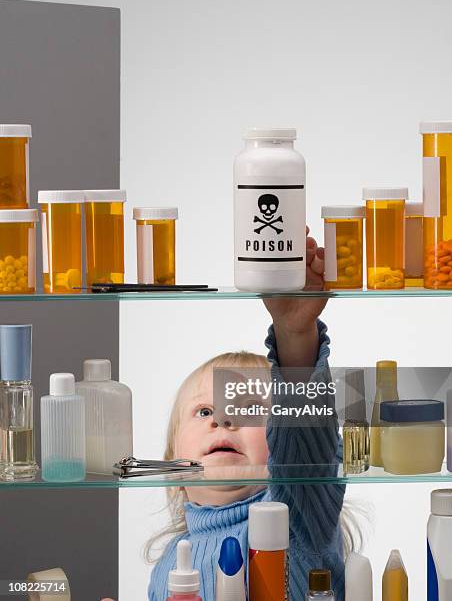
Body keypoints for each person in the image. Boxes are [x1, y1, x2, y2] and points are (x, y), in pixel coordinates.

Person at [104, 230, 359, 601]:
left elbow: (306, 440)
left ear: (280, 439)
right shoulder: (169, 564)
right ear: (171, 463)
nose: (222, 421)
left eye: (247, 408)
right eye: (204, 410)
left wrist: (294, 333)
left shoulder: (298, 520)